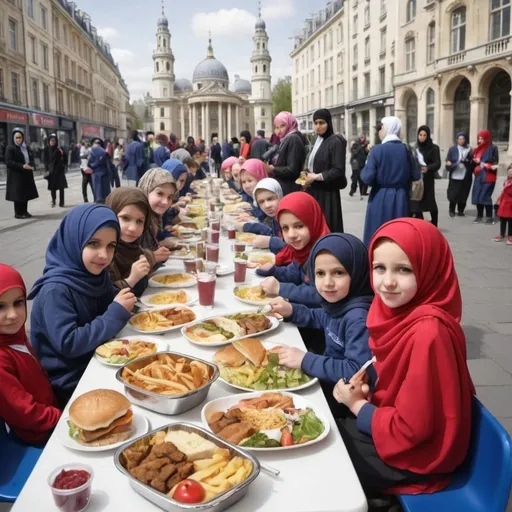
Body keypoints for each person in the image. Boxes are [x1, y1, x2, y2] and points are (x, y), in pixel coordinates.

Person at [333, 218, 474, 496]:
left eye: (404, 269)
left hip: (419, 457)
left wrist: (356, 406)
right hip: (396, 433)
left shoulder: (428, 333)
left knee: (328, 459)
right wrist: (367, 394)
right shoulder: (394, 313)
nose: (387, 282)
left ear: (431, 270)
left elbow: (412, 429)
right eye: (379, 268)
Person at [28, 204, 136, 407]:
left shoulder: (95, 275)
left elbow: (113, 301)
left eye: (111, 246)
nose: (104, 255)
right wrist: (115, 313)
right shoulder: (55, 291)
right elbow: (69, 343)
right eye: (94, 243)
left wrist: (126, 304)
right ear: (73, 241)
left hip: (99, 360)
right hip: (69, 382)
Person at [269, 233, 374, 417]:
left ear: (357, 272)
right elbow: (321, 317)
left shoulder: (358, 318)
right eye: (320, 273)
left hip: (342, 400)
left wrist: (305, 360)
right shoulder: (339, 305)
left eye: (338, 272)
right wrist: (292, 311)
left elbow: (355, 369)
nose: (328, 282)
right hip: (329, 383)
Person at [0, 264, 61, 443]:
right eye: (0, 306)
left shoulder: (15, 336)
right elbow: (26, 413)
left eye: (18, 303)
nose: (12, 315)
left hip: (50, 418)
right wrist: (64, 417)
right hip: (39, 436)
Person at [257, 192, 330, 307]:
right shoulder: (303, 250)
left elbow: (319, 294)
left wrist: (280, 288)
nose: (291, 235)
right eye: (285, 228)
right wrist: (273, 270)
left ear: (313, 222)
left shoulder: (326, 255)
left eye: (299, 226)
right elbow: (293, 273)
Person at [361, 117, 420, 246]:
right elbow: (416, 175)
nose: (378, 131)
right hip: (401, 197)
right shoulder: (406, 149)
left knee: (378, 233)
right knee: (399, 236)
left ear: (386, 128)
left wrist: (367, 163)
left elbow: (367, 177)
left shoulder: (377, 150)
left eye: (380, 128)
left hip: (380, 197)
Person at [304, 109, 347, 232]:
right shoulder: (316, 141)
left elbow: (338, 170)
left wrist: (316, 177)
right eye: (315, 123)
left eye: (321, 123)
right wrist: (303, 180)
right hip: (314, 191)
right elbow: (310, 164)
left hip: (327, 194)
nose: (318, 126)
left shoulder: (335, 142)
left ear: (328, 123)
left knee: (327, 226)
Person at [105, 188, 154, 296]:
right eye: (125, 218)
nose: (133, 228)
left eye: (139, 221)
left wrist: (150, 259)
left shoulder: (137, 250)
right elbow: (103, 297)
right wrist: (131, 279)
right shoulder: (104, 254)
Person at [236, 178, 287, 255]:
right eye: (261, 202)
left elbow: (292, 248)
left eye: (270, 199)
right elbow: (269, 231)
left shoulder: (287, 218)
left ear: (279, 196)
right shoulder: (273, 218)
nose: (267, 205)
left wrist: (272, 242)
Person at [137, 168, 179, 259]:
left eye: (170, 197)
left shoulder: (155, 219)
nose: (165, 202)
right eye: (159, 193)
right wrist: (153, 257)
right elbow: (128, 258)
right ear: (146, 190)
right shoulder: (137, 218)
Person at [266, 111, 307, 196]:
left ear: (290, 124)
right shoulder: (287, 138)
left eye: (282, 126)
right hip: (288, 187)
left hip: (290, 188)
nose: (278, 131)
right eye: (276, 127)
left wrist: (273, 169)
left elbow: (293, 170)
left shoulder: (293, 138)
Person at [410, 126, 441, 227]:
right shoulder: (414, 148)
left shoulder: (434, 148)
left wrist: (428, 168)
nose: (422, 137)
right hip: (417, 179)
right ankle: (421, 223)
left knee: (431, 202)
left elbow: (437, 163)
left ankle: (434, 223)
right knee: (417, 202)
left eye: (424, 135)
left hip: (428, 179)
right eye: (420, 135)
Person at [5, 128, 38, 219]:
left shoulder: (25, 147)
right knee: (18, 194)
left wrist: (32, 165)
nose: (19, 139)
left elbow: (30, 158)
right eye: (17, 138)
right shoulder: (10, 148)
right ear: (14, 138)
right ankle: (18, 213)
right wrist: (22, 166)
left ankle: (25, 211)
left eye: (20, 137)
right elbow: (9, 162)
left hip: (26, 174)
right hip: (16, 175)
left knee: (25, 194)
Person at [471, 130, 499, 225]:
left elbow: (495, 162)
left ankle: (489, 217)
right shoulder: (477, 149)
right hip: (478, 176)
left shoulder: (493, 148)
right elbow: (473, 162)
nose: (480, 140)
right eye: (478, 138)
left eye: (482, 138)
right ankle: (479, 216)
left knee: (485, 196)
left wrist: (483, 161)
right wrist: (474, 161)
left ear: (487, 138)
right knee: (477, 195)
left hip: (488, 176)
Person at [446, 132, 473, 217]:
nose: (461, 141)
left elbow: (473, 161)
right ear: (457, 140)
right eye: (460, 139)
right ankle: (452, 210)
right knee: (453, 194)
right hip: (455, 175)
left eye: (463, 139)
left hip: (466, 175)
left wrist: (468, 161)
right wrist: (449, 163)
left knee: (464, 193)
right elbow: (448, 160)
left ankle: (461, 210)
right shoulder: (452, 149)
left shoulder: (469, 149)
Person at [43, 133, 68, 208]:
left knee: (61, 187)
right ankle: (53, 200)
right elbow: (45, 160)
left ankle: (62, 202)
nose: (52, 142)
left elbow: (65, 158)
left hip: (60, 171)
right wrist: (47, 168)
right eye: (51, 141)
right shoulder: (46, 149)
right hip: (52, 171)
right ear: (49, 141)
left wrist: (65, 166)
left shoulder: (60, 149)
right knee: (52, 187)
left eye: (54, 141)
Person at [493, 163, 512, 244]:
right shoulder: (506, 181)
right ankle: (502, 234)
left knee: (510, 221)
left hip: (511, 203)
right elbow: (503, 192)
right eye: (509, 171)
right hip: (504, 202)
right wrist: (498, 201)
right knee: (503, 219)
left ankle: (510, 236)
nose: (510, 173)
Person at [88, 138, 111, 204]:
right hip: (104, 174)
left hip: (96, 175)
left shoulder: (91, 152)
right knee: (105, 194)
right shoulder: (105, 153)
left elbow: (89, 164)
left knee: (97, 194)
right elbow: (109, 165)